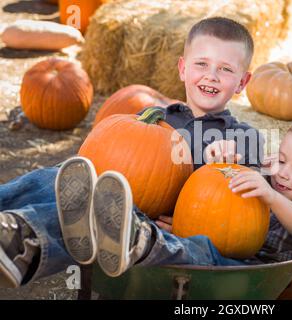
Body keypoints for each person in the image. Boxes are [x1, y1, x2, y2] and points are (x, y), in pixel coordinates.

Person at [0, 16, 264, 288]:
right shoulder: (152, 118)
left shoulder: (243, 137)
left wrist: (231, 163)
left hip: (151, 232)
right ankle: (9, 225)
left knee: (103, 216)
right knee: (62, 179)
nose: (211, 75)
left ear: (242, 83)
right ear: (183, 69)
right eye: (202, 64)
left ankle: (25, 245)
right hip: (114, 204)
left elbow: (251, 211)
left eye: (225, 69)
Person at [56, 117, 292, 278]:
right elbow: (218, 197)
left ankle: (135, 242)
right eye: (281, 158)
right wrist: (221, 161)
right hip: (209, 244)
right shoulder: (267, 175)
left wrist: (271, 197)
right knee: (181, 237)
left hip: (245, 272)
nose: (283, 172)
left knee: (200, 253)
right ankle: (111, 226)